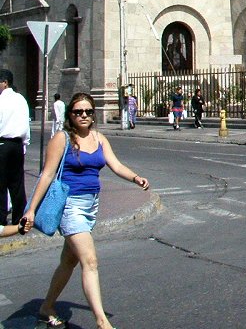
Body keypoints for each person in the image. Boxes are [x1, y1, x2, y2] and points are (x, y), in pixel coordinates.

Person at [26, 92, 150, 329]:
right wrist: (31, 209)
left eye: (88, 112)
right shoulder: (61, 139)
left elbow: (115, 165)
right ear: (70, 115)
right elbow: (48, 174)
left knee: (68, 262)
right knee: (90, 261)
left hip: (91, 206)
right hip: (69, 206)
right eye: (78, 112)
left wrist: (135, 177)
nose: (83, 115)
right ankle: (101, 322)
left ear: (93, 114)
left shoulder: (99, 138)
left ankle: (46, 306)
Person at [0, 68, 31, 227]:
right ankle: (19, 217)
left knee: (1, 183)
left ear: (5, 83)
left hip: (3, 144)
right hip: (18, 145)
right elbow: (26, 123)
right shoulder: (21, 99)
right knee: (17, 183)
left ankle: (1, 218)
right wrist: (24, 143)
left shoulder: (1, 100)